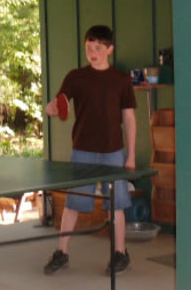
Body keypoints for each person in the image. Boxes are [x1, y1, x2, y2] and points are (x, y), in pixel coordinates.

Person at [43, 25, 137, 276]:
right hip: (82, 151)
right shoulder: (76, 77)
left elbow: (129, 118)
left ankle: (120, 253)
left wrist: (132, 154)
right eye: (88, 48)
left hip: (113, 152)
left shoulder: (121, 79)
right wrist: (50, 109)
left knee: (115, 205)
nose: (92, 52)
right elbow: (58, 104)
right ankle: (62, 252)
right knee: (73, 203)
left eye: (98, 48)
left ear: (110, 50)